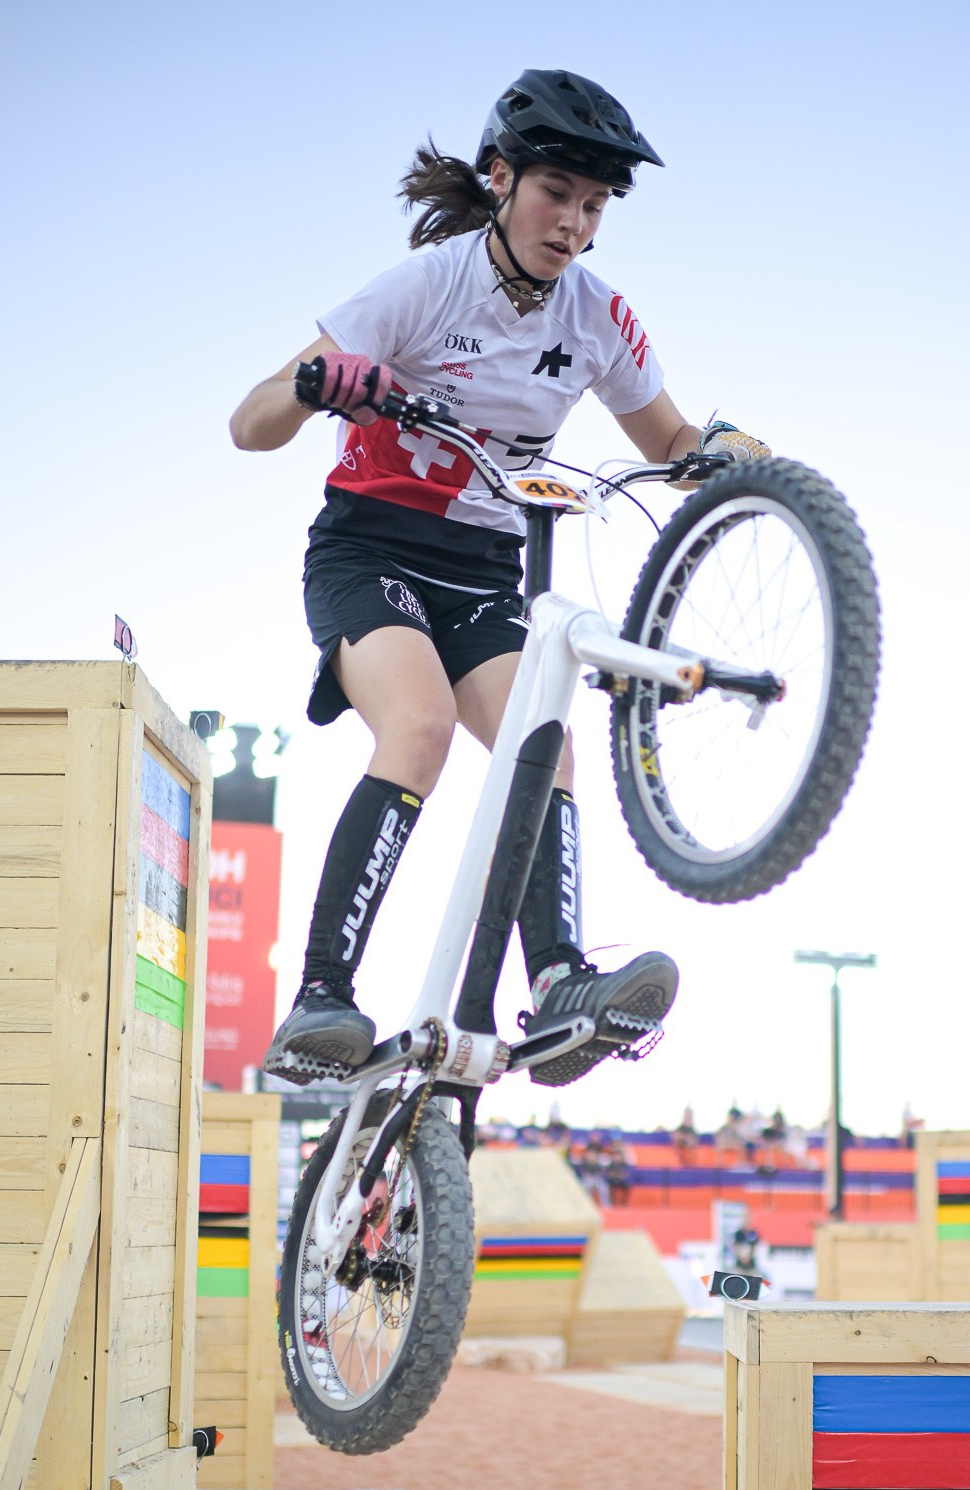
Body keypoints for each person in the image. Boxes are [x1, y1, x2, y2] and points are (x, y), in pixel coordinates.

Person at [229, 68, 768, 1084]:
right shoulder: (426, 284)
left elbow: (671, 436)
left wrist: (727, 449)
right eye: (555, 193)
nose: (573, 223)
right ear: (500, 177)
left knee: (546, 744)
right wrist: (309, 385)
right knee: (421, 727)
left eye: (595, 205)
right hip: (372, 548)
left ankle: (559, 977)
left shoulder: (598, 318)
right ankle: (321, 996)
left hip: (484, 570)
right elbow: (247, 424)